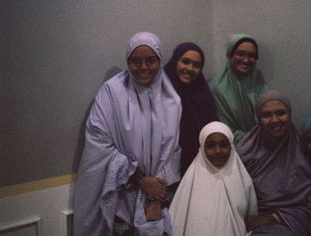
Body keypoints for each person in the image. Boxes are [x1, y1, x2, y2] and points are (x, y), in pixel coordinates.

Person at [73, 32, 182, 236]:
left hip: (157, 198)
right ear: (127, 61)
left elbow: (173, 152)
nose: (143, 67)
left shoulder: (171, 100)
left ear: (160, 61)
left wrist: (156, 198)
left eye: (151, 60)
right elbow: (99, 145)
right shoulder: (111, 93)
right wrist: (140, 180)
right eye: (135, 61)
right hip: (120, 198)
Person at [236, 90, 311, 236]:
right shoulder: (244, 151)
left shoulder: (302, 148)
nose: (275, 120)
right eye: (267, 115)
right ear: (258, 118)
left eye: (280, 113)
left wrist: (273, 217)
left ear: (290, 114)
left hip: (292, 220)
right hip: (250, 218)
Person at [169, 121, 258, 236]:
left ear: (231, 146)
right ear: (202, 148)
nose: (218, 151)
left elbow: (250, 218)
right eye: (210, 146)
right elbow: (177, 222)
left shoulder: (242, 179)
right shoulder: (190, 182)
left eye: (223, 145)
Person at [164, 42, 218, 175]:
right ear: (175, 61)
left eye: (196, 65)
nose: (190, 68)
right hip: (168, 170)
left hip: (202, 167)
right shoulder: (162, 93)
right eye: (185, 62)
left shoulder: (203, 96)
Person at [209, 33, 267, 143]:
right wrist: (254, 141)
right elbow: (223, 128)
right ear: (230, 55)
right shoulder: (216, 87)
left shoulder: (259, 82)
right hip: (231, 147)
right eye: (240, 54)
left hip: (263, 144)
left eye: (252, 56)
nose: (246, 60)